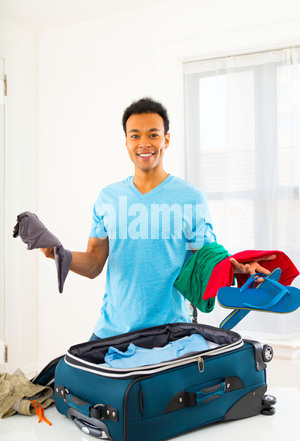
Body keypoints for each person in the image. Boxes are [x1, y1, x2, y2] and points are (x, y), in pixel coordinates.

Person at [41, 97, 274, 339]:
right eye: (135, 136)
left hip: (170, 332)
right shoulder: (107, 198)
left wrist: (240, 269)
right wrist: (59, 253)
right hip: (111, 332)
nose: (144, 143)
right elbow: (93, 264)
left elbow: (208, 262)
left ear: (167, 139)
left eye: (153, 135)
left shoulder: (191, 198)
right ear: (126, 142)